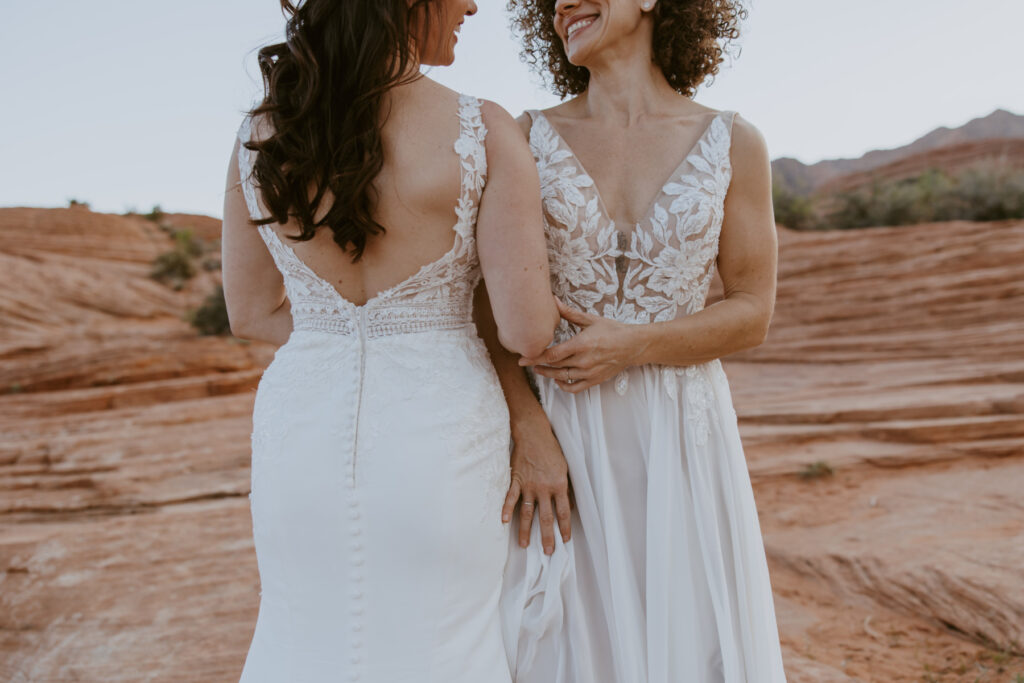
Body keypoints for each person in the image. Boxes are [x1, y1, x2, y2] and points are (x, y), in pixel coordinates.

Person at [220, 0, 560, 680]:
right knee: (442, 643)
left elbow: (251, 312)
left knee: (300, 631)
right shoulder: (482, 128)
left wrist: (340, 331)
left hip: (301, 434)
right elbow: (526, 329)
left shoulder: (261, 133)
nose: (471, 6)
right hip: (441, 436)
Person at [493, 0, 789, 680]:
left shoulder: (733, 141)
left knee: (689, 642)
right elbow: (482, 302)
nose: (563, 2)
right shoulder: (523, 136)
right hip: (560, 441)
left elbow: (752, 310)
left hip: (682, 442)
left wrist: (634, 343)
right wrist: (528, 429)